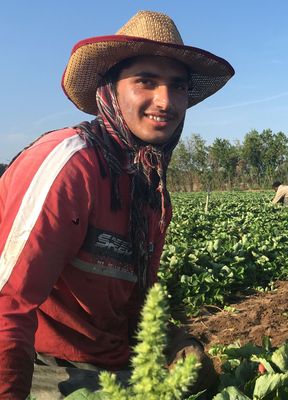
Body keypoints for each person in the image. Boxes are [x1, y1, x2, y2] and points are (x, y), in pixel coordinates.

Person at [0, 11, 234, 399]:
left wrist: (168, 338)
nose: (165, 101)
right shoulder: (70, 164)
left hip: (110, 354)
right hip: (44, 361)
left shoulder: (147, 184)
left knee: (201, 376)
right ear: (110, 87)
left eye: (177, 87)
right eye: (146, 81)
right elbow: (7, 304)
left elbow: (132, 298)